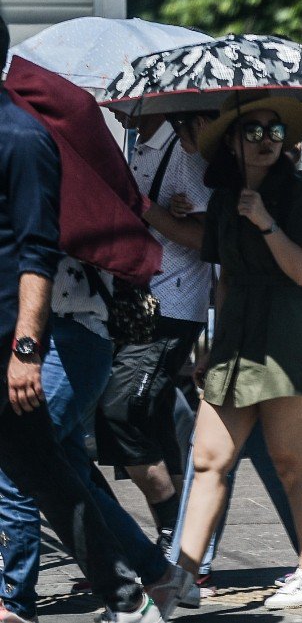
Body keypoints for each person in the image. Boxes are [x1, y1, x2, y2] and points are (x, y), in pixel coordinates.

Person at [0, 14, 171, 623]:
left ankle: (15, 600)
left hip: (49, 337)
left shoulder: (24, 140)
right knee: (56, 470)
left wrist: (26, 351)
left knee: (33, 475)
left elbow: (37, 251)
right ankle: (144, 586)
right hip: (44, 335)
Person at [165, 115, 302, 596]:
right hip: (237, 339)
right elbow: (225, 278)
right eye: (253, 132)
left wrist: (265, 222)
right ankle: (182, 576)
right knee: (208, 460)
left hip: (287, 337)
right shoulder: (225, 198)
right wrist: (213, 348)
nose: (267, 140)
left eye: (275, 131)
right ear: (231, 141)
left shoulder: (296, 193)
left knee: (290, 461)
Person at [95, 109, 212, 552]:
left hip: (173, 303)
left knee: (120, 411)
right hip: (141, 304)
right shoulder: (137, 147)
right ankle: (182, 541)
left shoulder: (183, 151)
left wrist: (145, 207)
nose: (114, 102)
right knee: (156, 418)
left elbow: (202, 238)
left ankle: (172, 534)